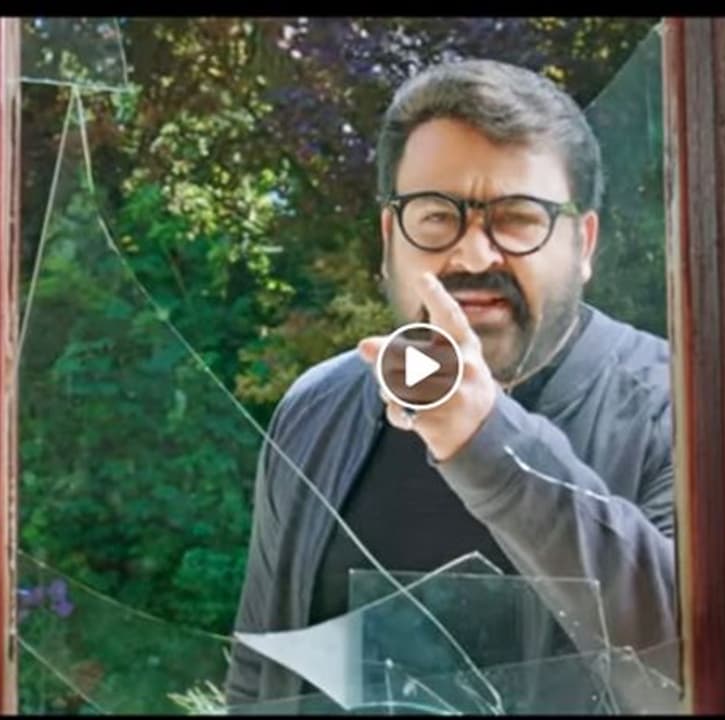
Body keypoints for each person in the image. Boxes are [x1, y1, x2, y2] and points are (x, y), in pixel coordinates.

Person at [225, 57, 676, 708]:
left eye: (518, 217)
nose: (471, 254)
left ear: (584, 245)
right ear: (390, 237)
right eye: (436, 216)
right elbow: (258, 677)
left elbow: (694, 666)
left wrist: (483, 437)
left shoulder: (677, 412)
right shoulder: (317, 409)